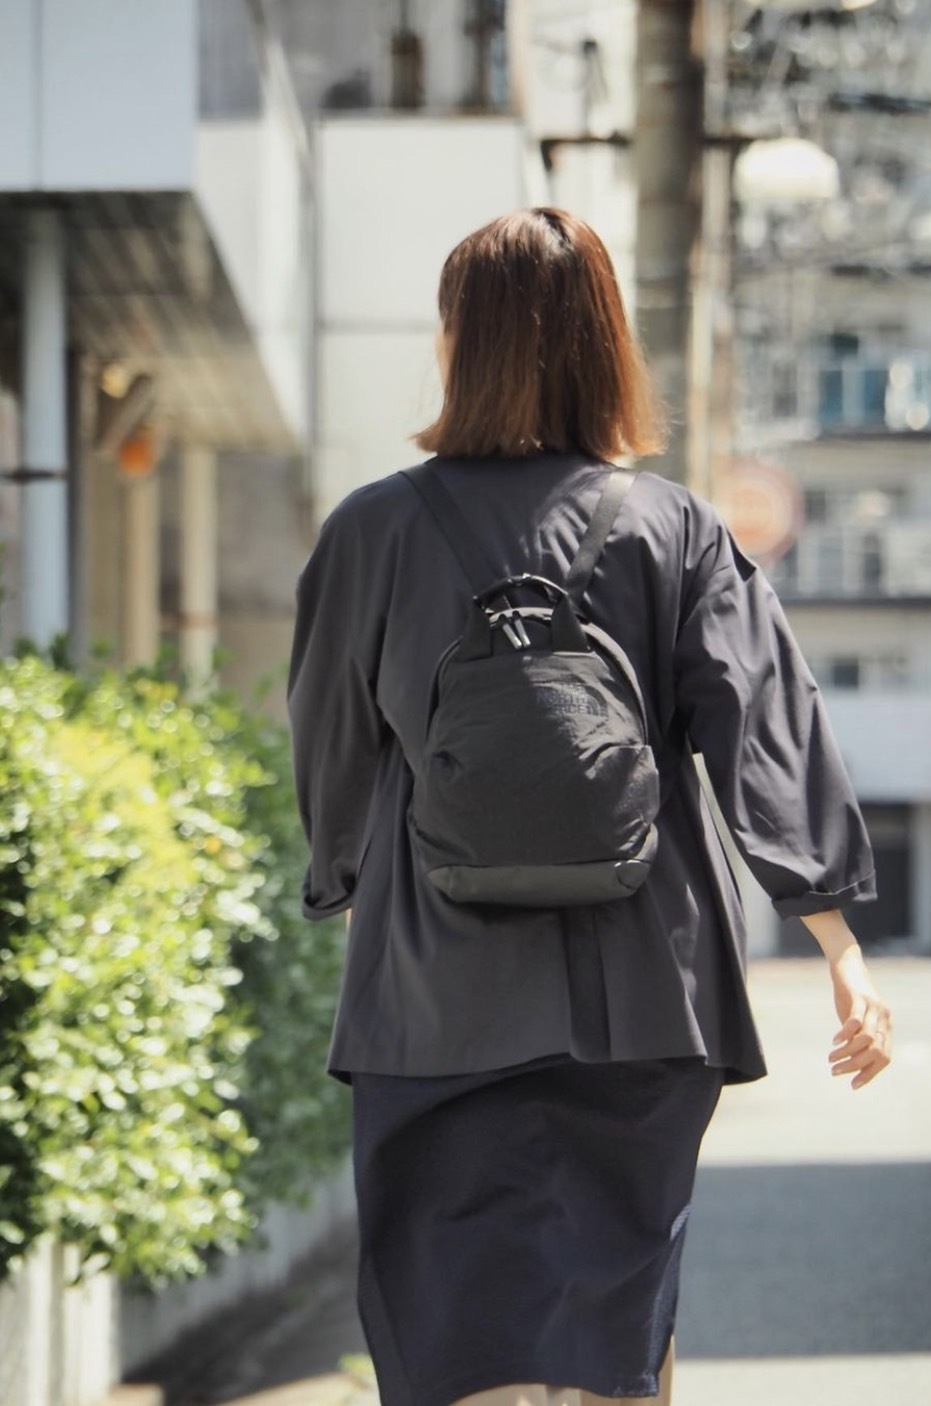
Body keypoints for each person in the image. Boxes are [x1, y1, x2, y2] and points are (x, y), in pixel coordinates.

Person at [288, 208, 892, 1406]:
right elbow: (762, 726)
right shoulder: (673, 526)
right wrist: (835, 936)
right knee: (617, 1317)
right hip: (644, 986)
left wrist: (346, 886)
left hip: (433, 989)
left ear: (457, 340)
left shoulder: (372, 527)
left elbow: (328, 736)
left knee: (447, 1325)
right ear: (605, 346)